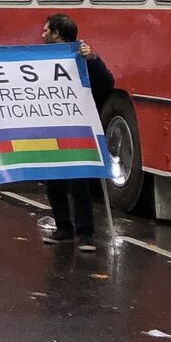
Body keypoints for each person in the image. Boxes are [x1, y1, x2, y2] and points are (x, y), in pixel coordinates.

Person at [41, 13, 112, 252]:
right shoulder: (41, 58)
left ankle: (85, 233)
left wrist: (92, 59)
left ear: (56, 34)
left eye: (46, 31)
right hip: (51, 127)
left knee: (78, 180)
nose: (42, 35)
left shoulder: (83, 57)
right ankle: (64, 228)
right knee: (54, 181)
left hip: (76, 128)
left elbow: (106, 84)